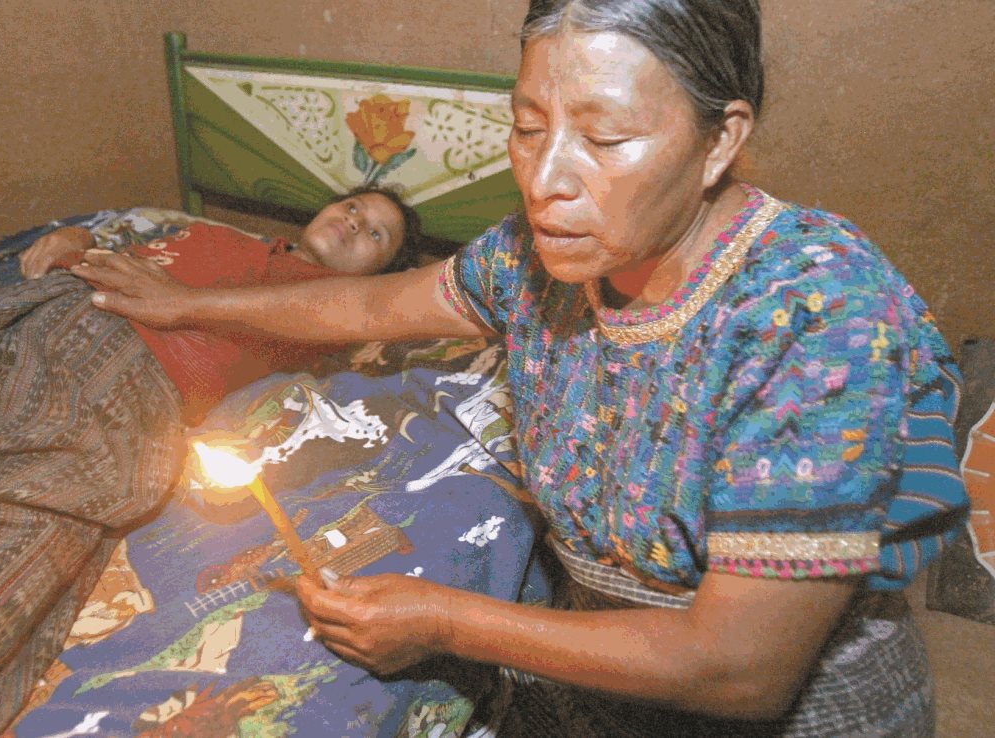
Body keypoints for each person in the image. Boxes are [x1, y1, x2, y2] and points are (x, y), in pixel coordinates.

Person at [75, 2, 968, 735]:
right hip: (602, 689)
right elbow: (369, 305)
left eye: (606, 139)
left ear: (721, 140)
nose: (546, 180)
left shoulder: (816, 318)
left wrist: (444, 621)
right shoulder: (531, 261)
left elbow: (741, 669)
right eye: (526, 127)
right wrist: (184, 301)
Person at [0, 186, 417, 738]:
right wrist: (79, 241)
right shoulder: (211, 234)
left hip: (134, 370)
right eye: (353, 207)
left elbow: (403, 309)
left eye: (375, 235)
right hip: (42, 318)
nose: (354, 223)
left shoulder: (340, 305)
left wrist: (181, 300)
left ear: (389, 269)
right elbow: (117, 256)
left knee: (30, 507)